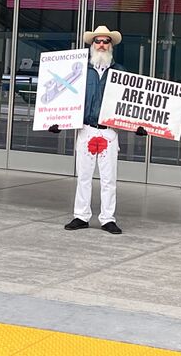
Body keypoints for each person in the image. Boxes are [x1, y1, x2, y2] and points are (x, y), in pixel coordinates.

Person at [49, 25, 146, 235]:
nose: (101, 45)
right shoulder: (80, 70)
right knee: (83, 176)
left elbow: (128, 102)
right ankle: (81, 216)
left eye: (106, 41)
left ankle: (107, 218)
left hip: (109, 132)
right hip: (86, 130)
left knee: (109, 179)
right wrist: (58, 121)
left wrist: (137, 125)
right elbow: (67, 97)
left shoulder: (120, 72)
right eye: (98, 41)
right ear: (92, 44)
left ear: (111, 45)